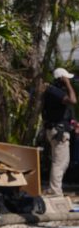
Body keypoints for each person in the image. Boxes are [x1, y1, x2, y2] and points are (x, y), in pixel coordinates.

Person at [42, 67, 77, 196]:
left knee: (63, 162)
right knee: (59, 162)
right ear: (61, 79)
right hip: (58, 132)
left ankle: (55, 189)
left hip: (58, 130)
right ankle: (55, 191)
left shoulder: (55, 92)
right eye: (66, 79)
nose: (69, 81)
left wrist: (73, 123)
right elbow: (73, 100)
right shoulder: (54, 91)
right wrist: (68, 84)